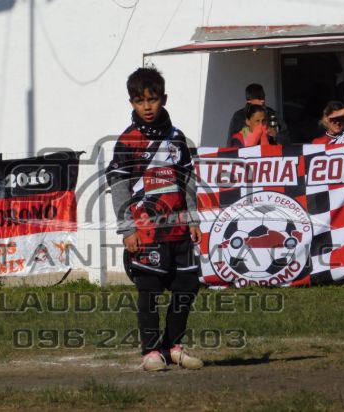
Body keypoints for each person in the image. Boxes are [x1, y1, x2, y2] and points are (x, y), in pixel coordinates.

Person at [106, 67, 203, 371]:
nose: (147, 107)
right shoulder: (128, 141)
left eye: (152, 99)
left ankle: (172, 346)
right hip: (146, 232)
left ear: (164, 98)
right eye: (139, 101)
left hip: (179, 229)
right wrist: (127, 229)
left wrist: (193, 218)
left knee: (187, 287)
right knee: (149, 290)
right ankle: (150, 351)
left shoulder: (177, 139)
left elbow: (187, 179)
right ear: (131, 103)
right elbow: (119, 185)